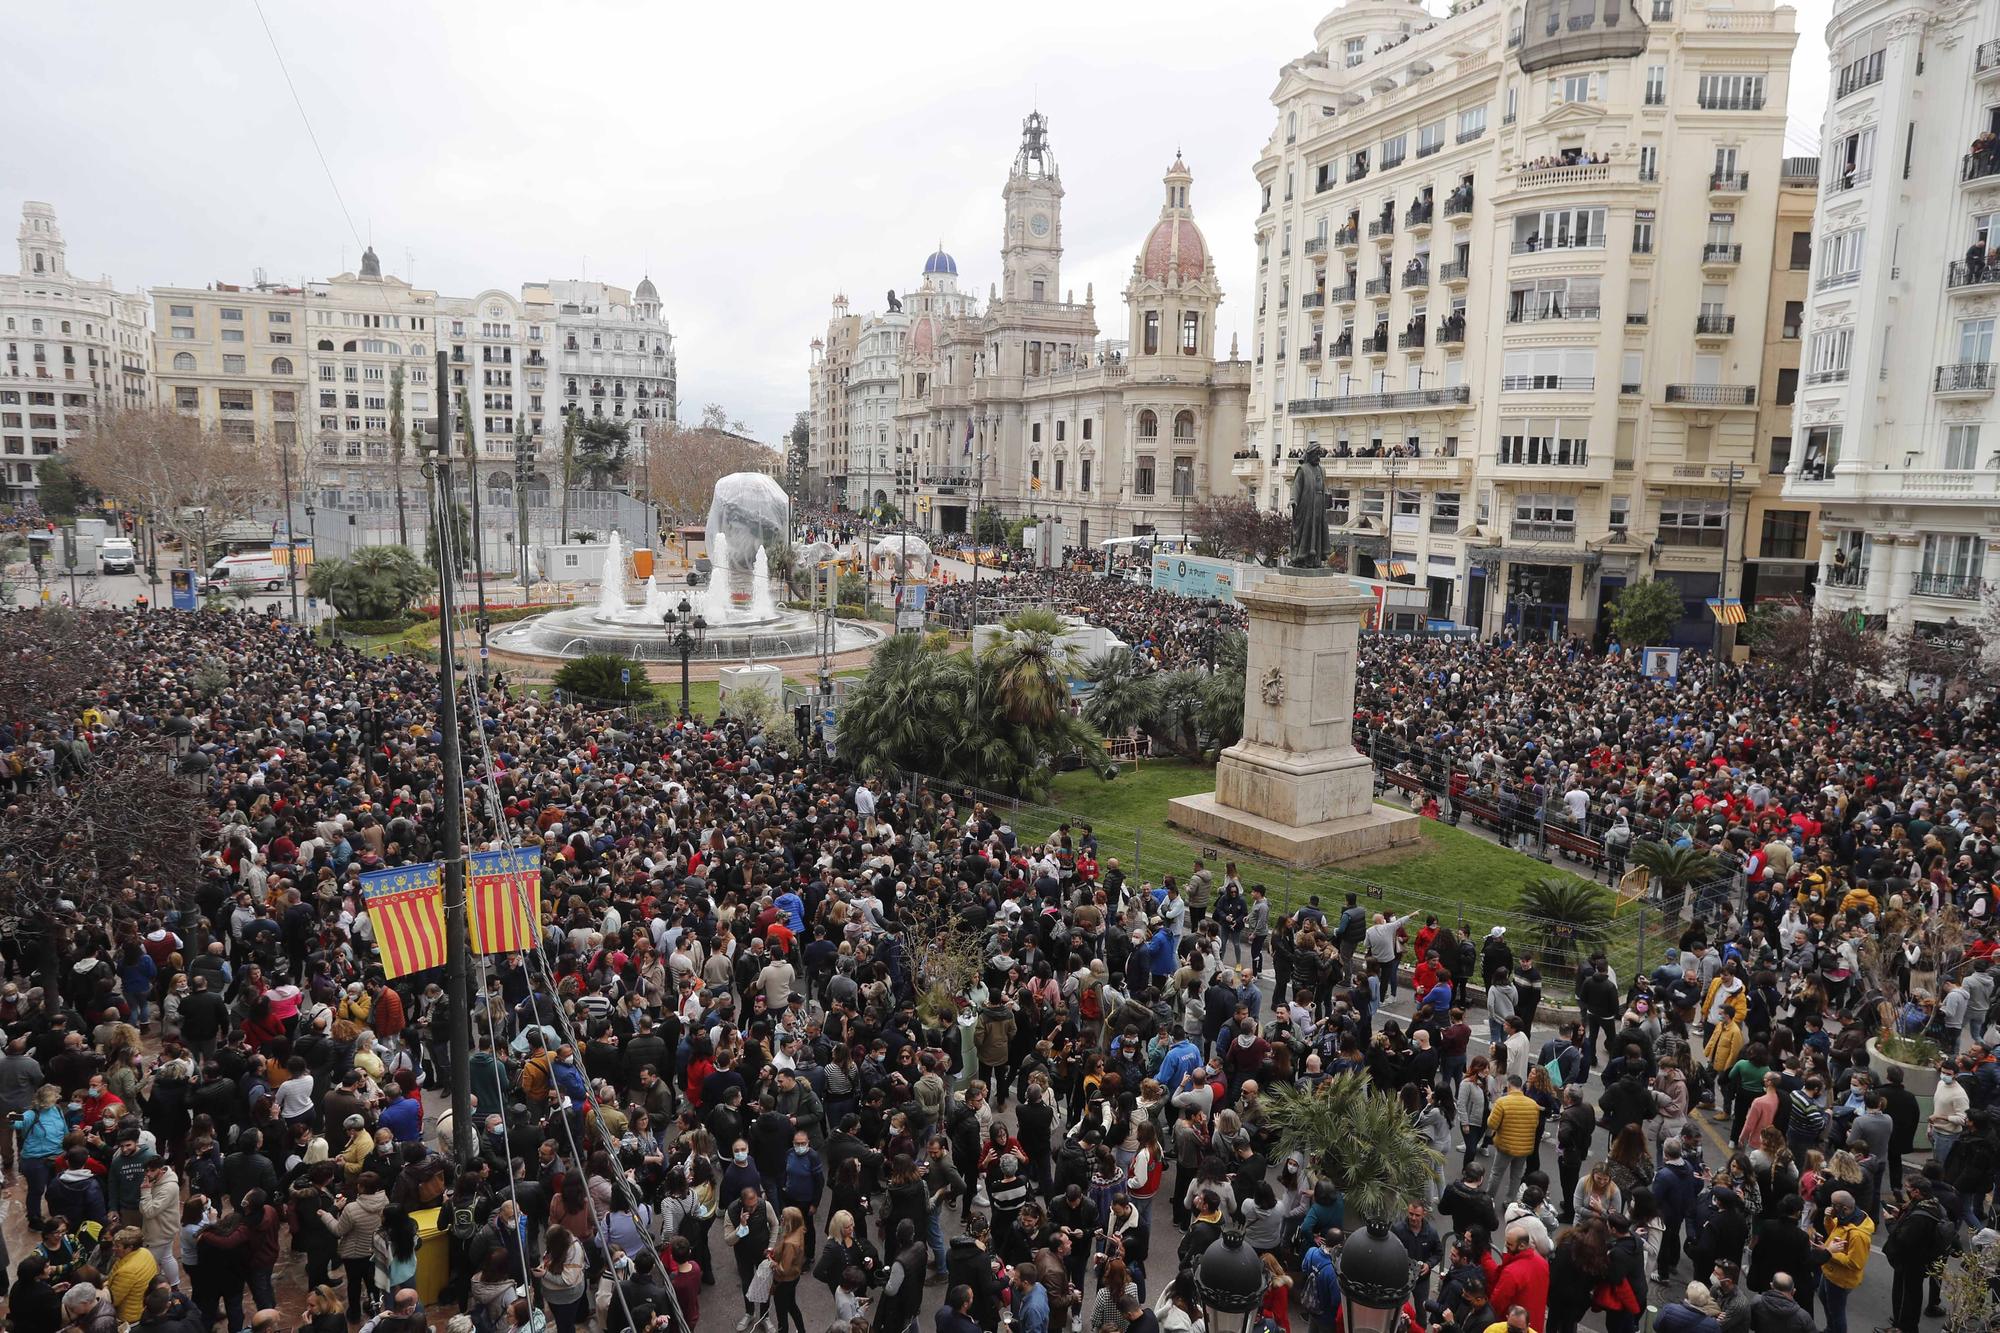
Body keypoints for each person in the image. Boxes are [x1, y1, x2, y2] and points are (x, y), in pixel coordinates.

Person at [1815, 1189, 1873, 1333]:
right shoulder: (1845, 1218)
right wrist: (1828, 1218)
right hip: (1829, 1272)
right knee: (1824, 1297)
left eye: (1833, 1205)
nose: (1830, 1207)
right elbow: (1833, 1231)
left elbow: (1855, 1263)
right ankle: (1830, 1329)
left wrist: (1829, 1252)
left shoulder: (1858, 1235)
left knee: (1837, 1312)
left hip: (1841, 1280)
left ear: (1844, 1208)